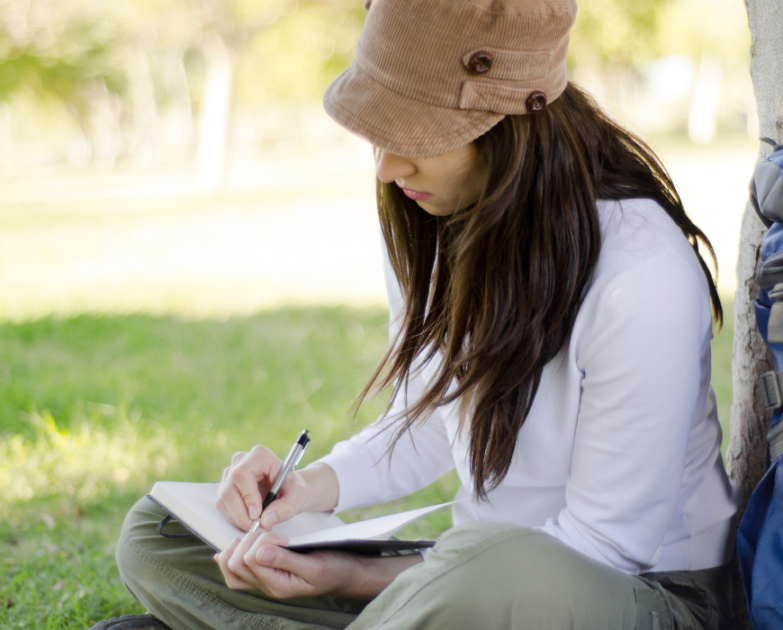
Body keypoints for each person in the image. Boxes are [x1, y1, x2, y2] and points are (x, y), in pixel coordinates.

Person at [96, 0, 739, 628]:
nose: (386, 166)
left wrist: (353, 576)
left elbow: (603, 546)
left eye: (414, 136)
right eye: (379, 131)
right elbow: (434, 413)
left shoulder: (641, 273)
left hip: (632, 592)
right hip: (469, 580)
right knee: (158, 535)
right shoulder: (438, 211)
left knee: (492, 572)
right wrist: (309, 489)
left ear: (511, 123)